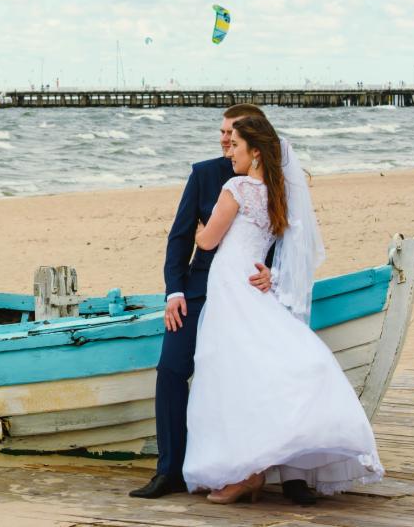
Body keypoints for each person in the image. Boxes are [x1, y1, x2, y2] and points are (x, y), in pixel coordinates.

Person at [182, 116, 383, 503]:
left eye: (236, 146)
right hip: (255, 282)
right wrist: (273, 275)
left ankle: (247, 472)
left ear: (255, 152)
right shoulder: (278, 195)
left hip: (230, 284)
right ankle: (250, 469)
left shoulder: (236, 187)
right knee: (252, 366)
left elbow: (208, 242)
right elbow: (290, 251)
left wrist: (197, 227)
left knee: (231, 372)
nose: (230, 154)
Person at [131, 104, 321, 503]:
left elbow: (292, 245)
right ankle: (170, 472)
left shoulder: (278, 181)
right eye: (221, 132)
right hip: (198, 293)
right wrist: (174, 291)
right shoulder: (204, 174)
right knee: (170, 370)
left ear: (253, 140)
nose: (224, 140)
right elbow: (181, 237)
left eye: (231, 133)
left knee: (268, 375)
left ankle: (291, 475)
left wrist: (276, 276)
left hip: (251, 291)